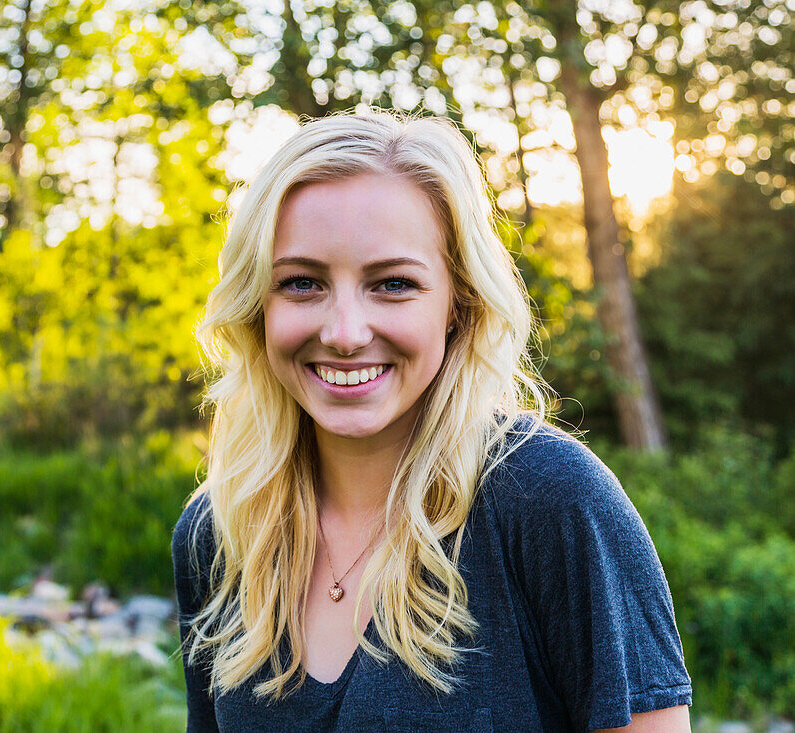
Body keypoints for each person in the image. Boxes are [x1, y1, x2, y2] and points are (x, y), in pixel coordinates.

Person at [171, 111, 692, 732]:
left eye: (392, 284)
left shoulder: (552, 499)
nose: (343, 333)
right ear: (257, 305)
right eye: (302, 283)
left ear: (459, 303)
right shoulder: (221, 528)